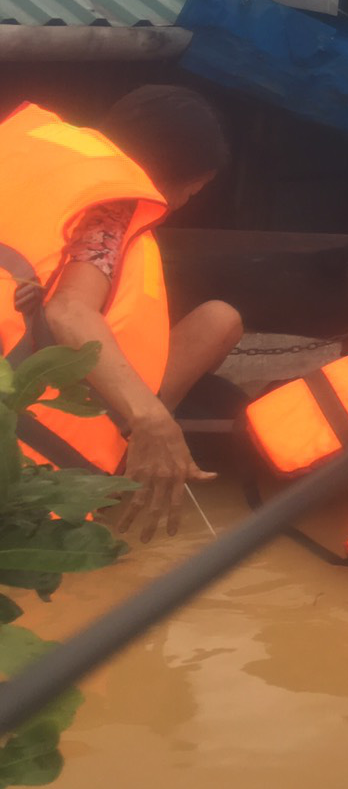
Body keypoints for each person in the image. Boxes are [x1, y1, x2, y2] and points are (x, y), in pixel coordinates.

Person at [0, 85, 243, 542]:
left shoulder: (28, 152)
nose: (187, 202)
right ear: (173, 177)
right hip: (23, 444)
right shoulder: (110, 203)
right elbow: (69, 310)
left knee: (217, 318)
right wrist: (152, 420)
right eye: (195, 190)